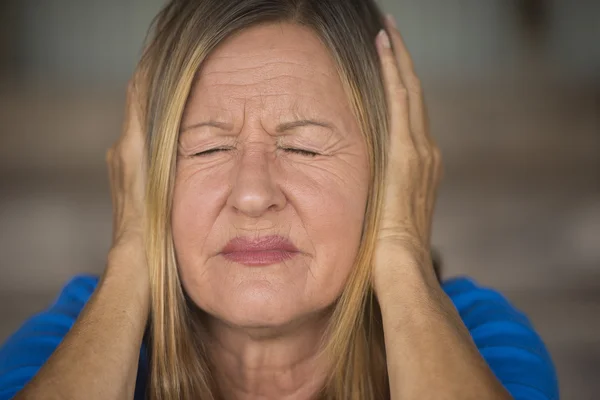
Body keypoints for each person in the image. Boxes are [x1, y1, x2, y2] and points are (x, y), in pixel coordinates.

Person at [0, 1, 559, 399]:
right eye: (206, 148)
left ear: (393, 173)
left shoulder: (479, 334)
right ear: (146, 174)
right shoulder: (77, 332)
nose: (252, 194)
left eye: (305, 147)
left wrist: (399, 256)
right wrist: (129, 256)